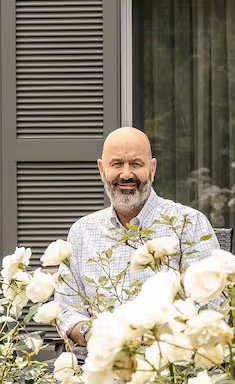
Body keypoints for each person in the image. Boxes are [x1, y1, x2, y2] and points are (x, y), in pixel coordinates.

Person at [55, 126, 220, 346]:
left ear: (152, 169)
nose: (126, 174)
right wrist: (90, 332)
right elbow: (67, 309)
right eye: (116, 164)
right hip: (101, 364)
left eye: (136, 164)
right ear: (102, 170)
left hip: (171, 369)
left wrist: (156, 337)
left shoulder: (189, 224)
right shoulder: (82, 231)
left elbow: (213, 306)